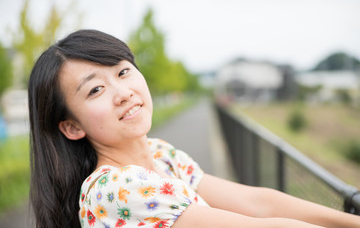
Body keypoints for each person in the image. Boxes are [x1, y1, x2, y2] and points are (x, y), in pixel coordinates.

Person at [28, 29, 360, 228]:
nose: (122, 93)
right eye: (95, 90)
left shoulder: (160, 155)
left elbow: (258, 203)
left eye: (122, 72)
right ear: (71, 127)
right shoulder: (114, 189)